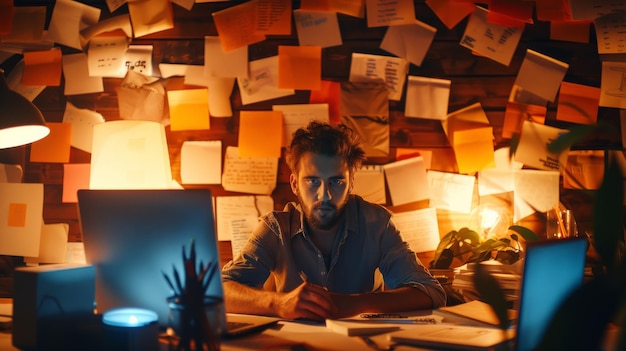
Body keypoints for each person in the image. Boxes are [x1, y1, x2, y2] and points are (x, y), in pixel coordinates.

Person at [221, 121, 446, 321]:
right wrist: (279, 304)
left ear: (351, 183)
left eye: (336, 182)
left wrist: (352, 304)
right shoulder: (275, 228)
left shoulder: (376, 223)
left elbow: (430, 291)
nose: (325, 195)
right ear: (294, 184)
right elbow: (217, 291)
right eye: (312, 181)